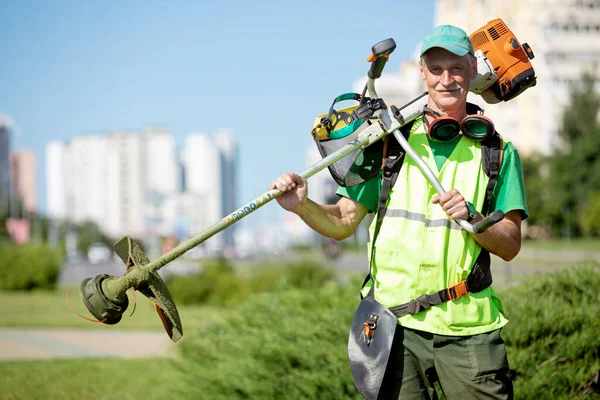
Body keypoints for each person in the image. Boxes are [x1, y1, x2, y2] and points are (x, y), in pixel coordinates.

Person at [270, 24, 527, 399]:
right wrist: (301, 206)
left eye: (456, 68)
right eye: (436, 69)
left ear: (473, 70)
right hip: (391, 329)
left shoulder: (500, 153)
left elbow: (510, 245)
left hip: (467, 330)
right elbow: (342, 222)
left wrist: (473, 218)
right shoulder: (389, 144)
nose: (446, 79)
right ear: (422, 73)